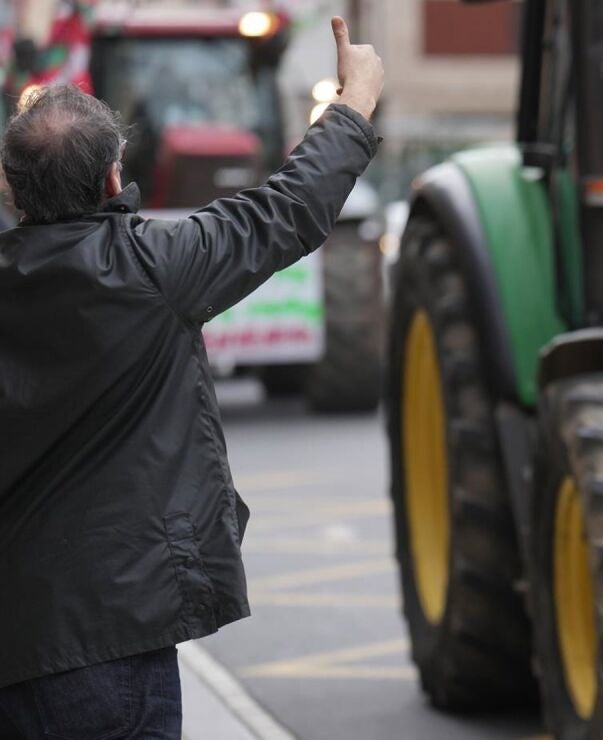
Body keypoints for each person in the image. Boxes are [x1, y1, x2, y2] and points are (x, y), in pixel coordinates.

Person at [0, 17, 382, 738]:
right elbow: (288, 208)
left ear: (11, 189)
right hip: (112, 644)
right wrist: (354, 102)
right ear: (114, 174)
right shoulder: (154, 267)